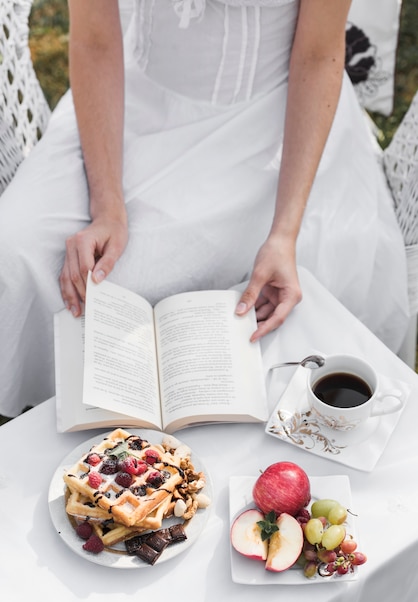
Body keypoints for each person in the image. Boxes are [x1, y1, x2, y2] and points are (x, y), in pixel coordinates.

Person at [0, 0, 409, 417]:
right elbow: (95, 40)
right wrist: (107, 206)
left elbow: (318, 55)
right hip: (124, 101)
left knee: (139, 277)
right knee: (19, 247)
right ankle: (55, 414)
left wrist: (284, 233)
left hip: (275, 122)